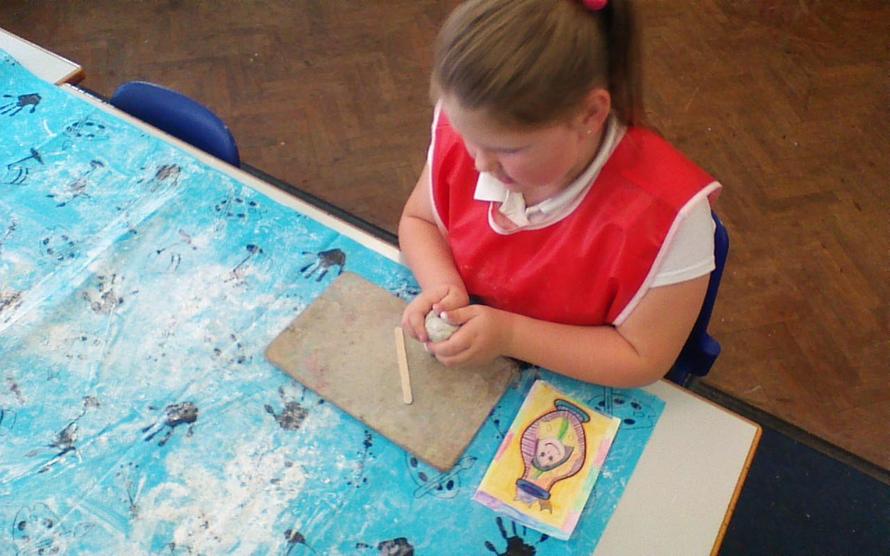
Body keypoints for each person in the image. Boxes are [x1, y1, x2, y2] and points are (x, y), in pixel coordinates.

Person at [399, 0, 721, 388]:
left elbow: (642, 358)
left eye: (508, 149)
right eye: (468, 137)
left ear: (590, 115)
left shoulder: (670, 217)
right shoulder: (477, 126)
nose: (480, 163)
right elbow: (419, 221)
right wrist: (443, 288)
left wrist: (509, 335)